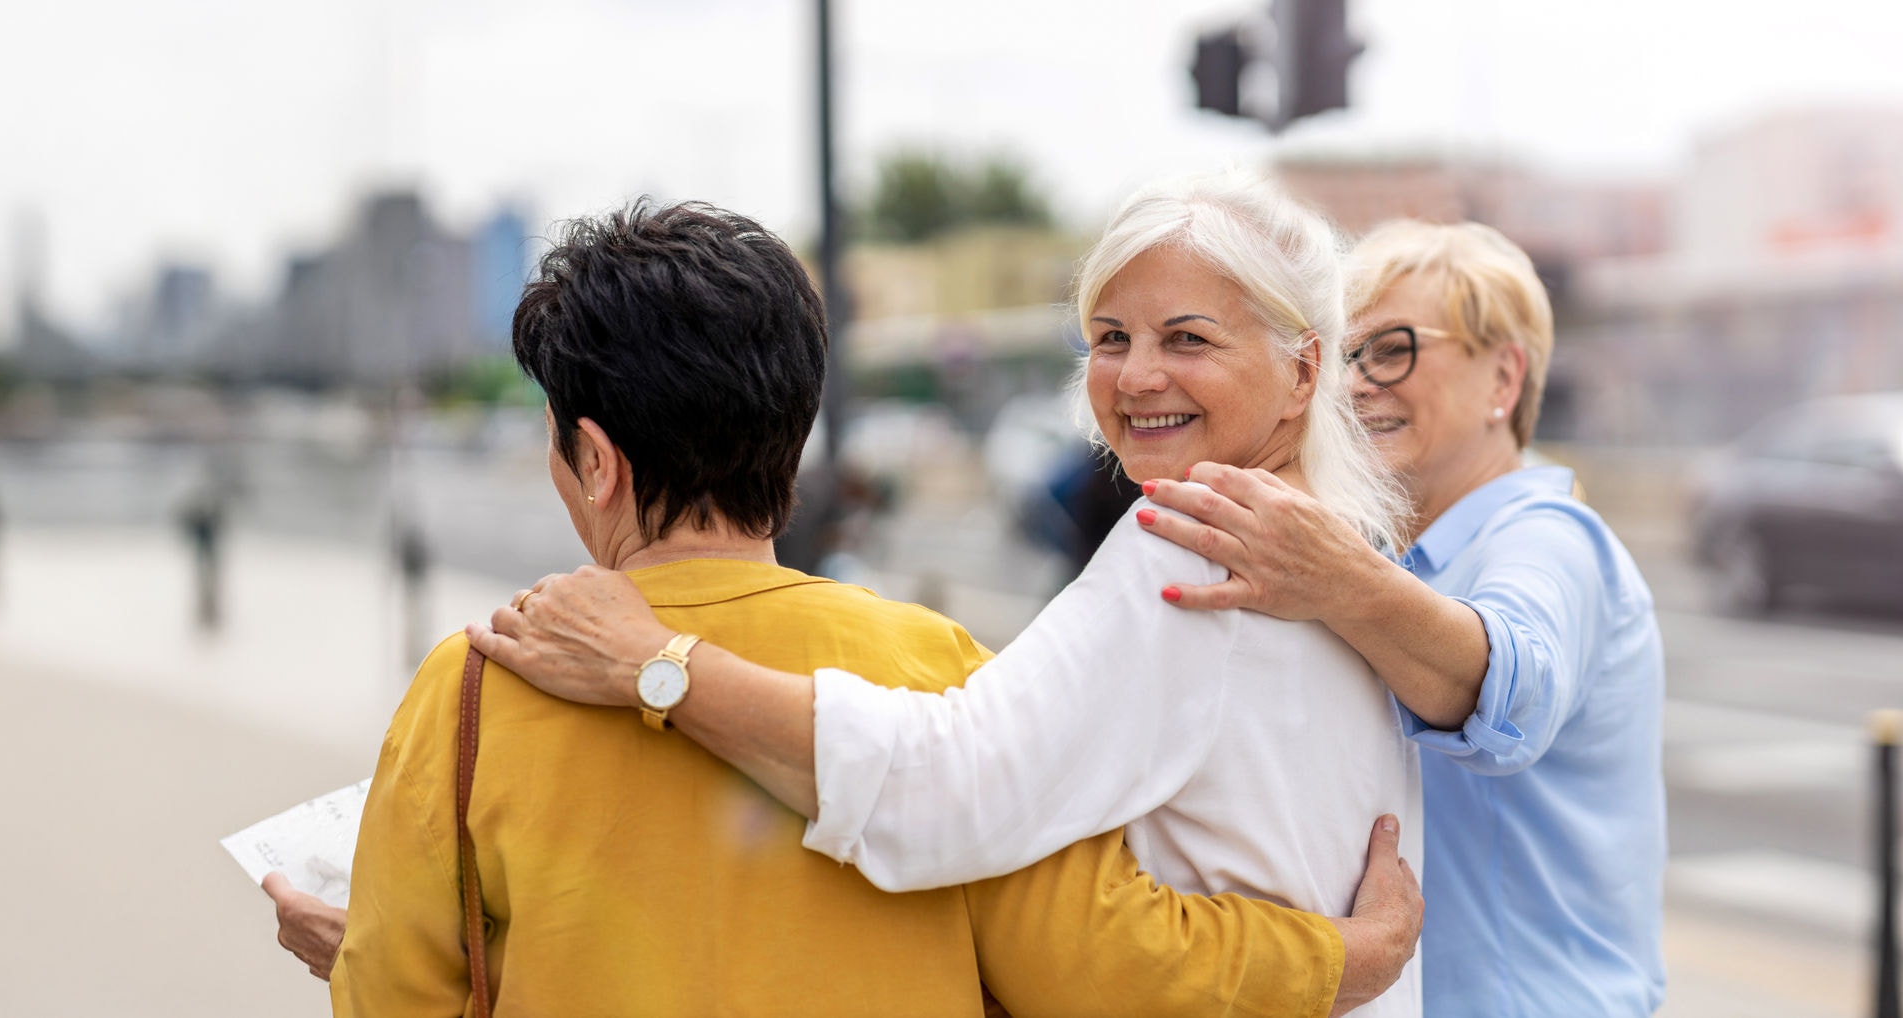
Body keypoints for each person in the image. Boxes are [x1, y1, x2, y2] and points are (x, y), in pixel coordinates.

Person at [314, 199, 1422, 1017]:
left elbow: (396, 995)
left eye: (1185, 338)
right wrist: (1334, 959)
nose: (1134, 377)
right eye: (1111, 340)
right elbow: (1089, 964)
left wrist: (376, 947)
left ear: (592, 460)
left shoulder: (473, 686)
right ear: (793, 434)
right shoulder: (936, 662)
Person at [1133, 220, 1667, 1016]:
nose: (1354, 385)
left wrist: (1334, 579)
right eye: (1345, 354)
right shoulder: (1406, 560)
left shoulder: (1547, 536)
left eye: (1392, 351)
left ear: (1504, 377)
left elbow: (1511, 686)